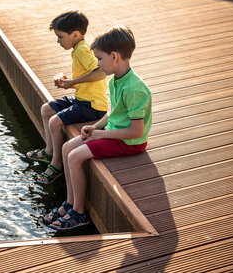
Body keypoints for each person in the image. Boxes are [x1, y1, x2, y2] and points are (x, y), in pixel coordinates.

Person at [44, 25, 152, 231]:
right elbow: (114, 113)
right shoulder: (116, 81)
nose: (98, 63)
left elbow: (137, 132)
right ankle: (70, 202)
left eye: (99, 59)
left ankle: (79, 213)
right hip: (113, 132)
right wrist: (94, 127)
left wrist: (103, 134)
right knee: (67, 148)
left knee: (75, 156)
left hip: (129, 142)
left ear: (114, 57)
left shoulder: (135, 89)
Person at [26, 10, 108, 184]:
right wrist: (69, 81)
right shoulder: (78, 49)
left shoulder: (83, 51)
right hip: (81, 99)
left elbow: (101, 72)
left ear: (76, 35)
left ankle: (56, 164)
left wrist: (73, 82)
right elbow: (88, 75)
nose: (58, 41)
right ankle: (49, 151)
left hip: (92, 106)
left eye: (60, 37)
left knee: (55, 121)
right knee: (46, 109)